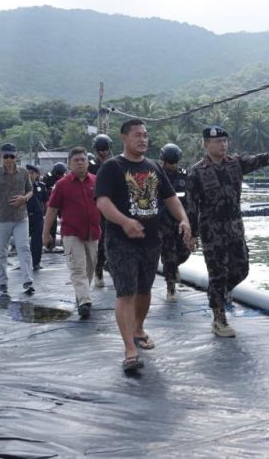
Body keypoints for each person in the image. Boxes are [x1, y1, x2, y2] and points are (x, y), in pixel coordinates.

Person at [95, 119, 192, 373]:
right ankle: (129, 348)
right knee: (125, 292)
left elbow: (170, 199)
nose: (143, 139)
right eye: (138, 135)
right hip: (120, 241)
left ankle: (138, 328)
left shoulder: (153, 168)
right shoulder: (112, 167)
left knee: (144, 290)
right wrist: (125, 221)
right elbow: (103, 202)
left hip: (151, 240)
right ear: (124, 138)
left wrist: (184, 220)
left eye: (146, 135)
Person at [186, 125, 269, 337]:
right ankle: (219, 319)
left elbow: (258, 160)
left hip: (235, 229)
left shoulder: (235, 164)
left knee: (241, 269)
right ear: (206, 144)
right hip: (212, 232)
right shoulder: (197, 172)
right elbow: (191, 206)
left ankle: (222, 294)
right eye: (218, 142)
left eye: (225, 141)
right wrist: (192, 234)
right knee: (217, 275)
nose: (223, 145)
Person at [42, 147, 102, 318]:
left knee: (90, 268)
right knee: (78, 269)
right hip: (71, 233)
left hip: (93, 233)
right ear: (69, 164)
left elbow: (106, 205)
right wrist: (46, 233)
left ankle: (82, 295)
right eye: (76, 160)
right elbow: (52, 210)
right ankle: (84, 302)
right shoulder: (62, 185)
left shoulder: (96, 181)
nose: (80, 163)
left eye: (83, 159)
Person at [0, 143, 35, 296]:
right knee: (1, 252)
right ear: (1, 157)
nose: (9, 159)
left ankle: (27, 281)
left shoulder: (24, 173)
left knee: (24, 248)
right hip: (1, 218)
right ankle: (3, 283)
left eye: (11, 156)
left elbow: (30, 190)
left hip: (20, 218)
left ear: (16, 156)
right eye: (6, 156)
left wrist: (24, 198)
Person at [157, 143, 191, 302]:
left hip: (181, 221)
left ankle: (174, 267)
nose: (172, 166)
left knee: (185, 252)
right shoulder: (157, 175)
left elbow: (190, 199)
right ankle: (171, 287)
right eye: (169, 163)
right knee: (168, 256)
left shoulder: (184, 176)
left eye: (174, 162)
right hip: (163, 223)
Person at [88, 133, 113, 287]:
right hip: (96, 208)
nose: (103, 152)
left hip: (113, 207)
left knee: (115, 241)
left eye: (105, 149)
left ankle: (111, 267)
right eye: (100, 149)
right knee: (100, 242)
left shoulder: (115, 163)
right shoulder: (90, 166)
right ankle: (98, 272)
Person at [25, 164, 48, 271]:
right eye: (28, 173)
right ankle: (24, 262)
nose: (30, 175)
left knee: (37, 241)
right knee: (23, 242)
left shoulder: (41, 187)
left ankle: (36, 262)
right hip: (24, 217)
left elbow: (46, 202)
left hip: (38, 217)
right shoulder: (21, 186)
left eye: (32, 173)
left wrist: (46, 215)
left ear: (37, 174)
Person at [41, 162, 67, 249]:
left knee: (65, 222)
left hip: (62, 203)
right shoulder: (48, 177)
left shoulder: (65, 177)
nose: (60, 176)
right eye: (58, 174)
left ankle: (65, 244)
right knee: (52, 224)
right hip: (51, 202)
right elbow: (44, 190)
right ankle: (50, 245)